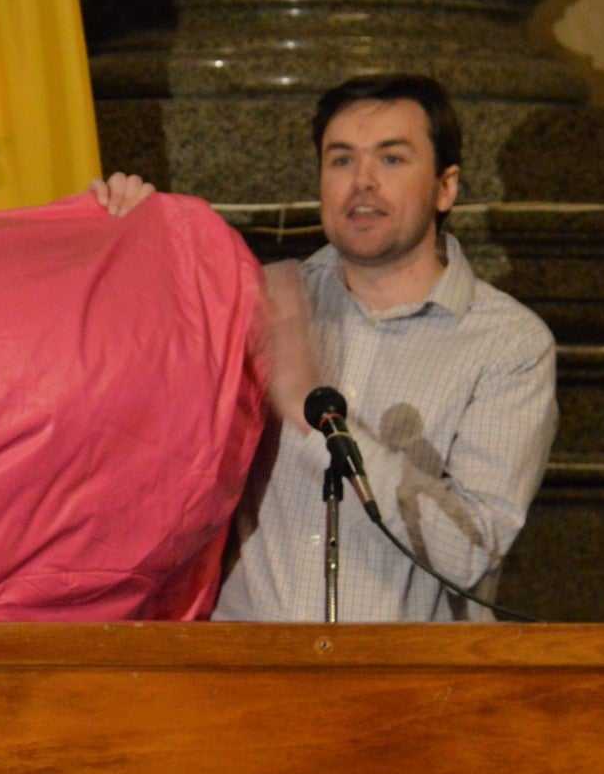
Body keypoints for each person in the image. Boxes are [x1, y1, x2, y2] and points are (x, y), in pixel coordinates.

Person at [93, 72, 558, 621]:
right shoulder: (261, 298)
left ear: (445, 187)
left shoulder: (508, 343)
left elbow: (470, 551)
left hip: (400, 686)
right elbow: (133, 406)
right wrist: (127, 241)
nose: (362, 181)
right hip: (241, 673)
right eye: (341, 160)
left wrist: (314, 419)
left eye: (391, 159)